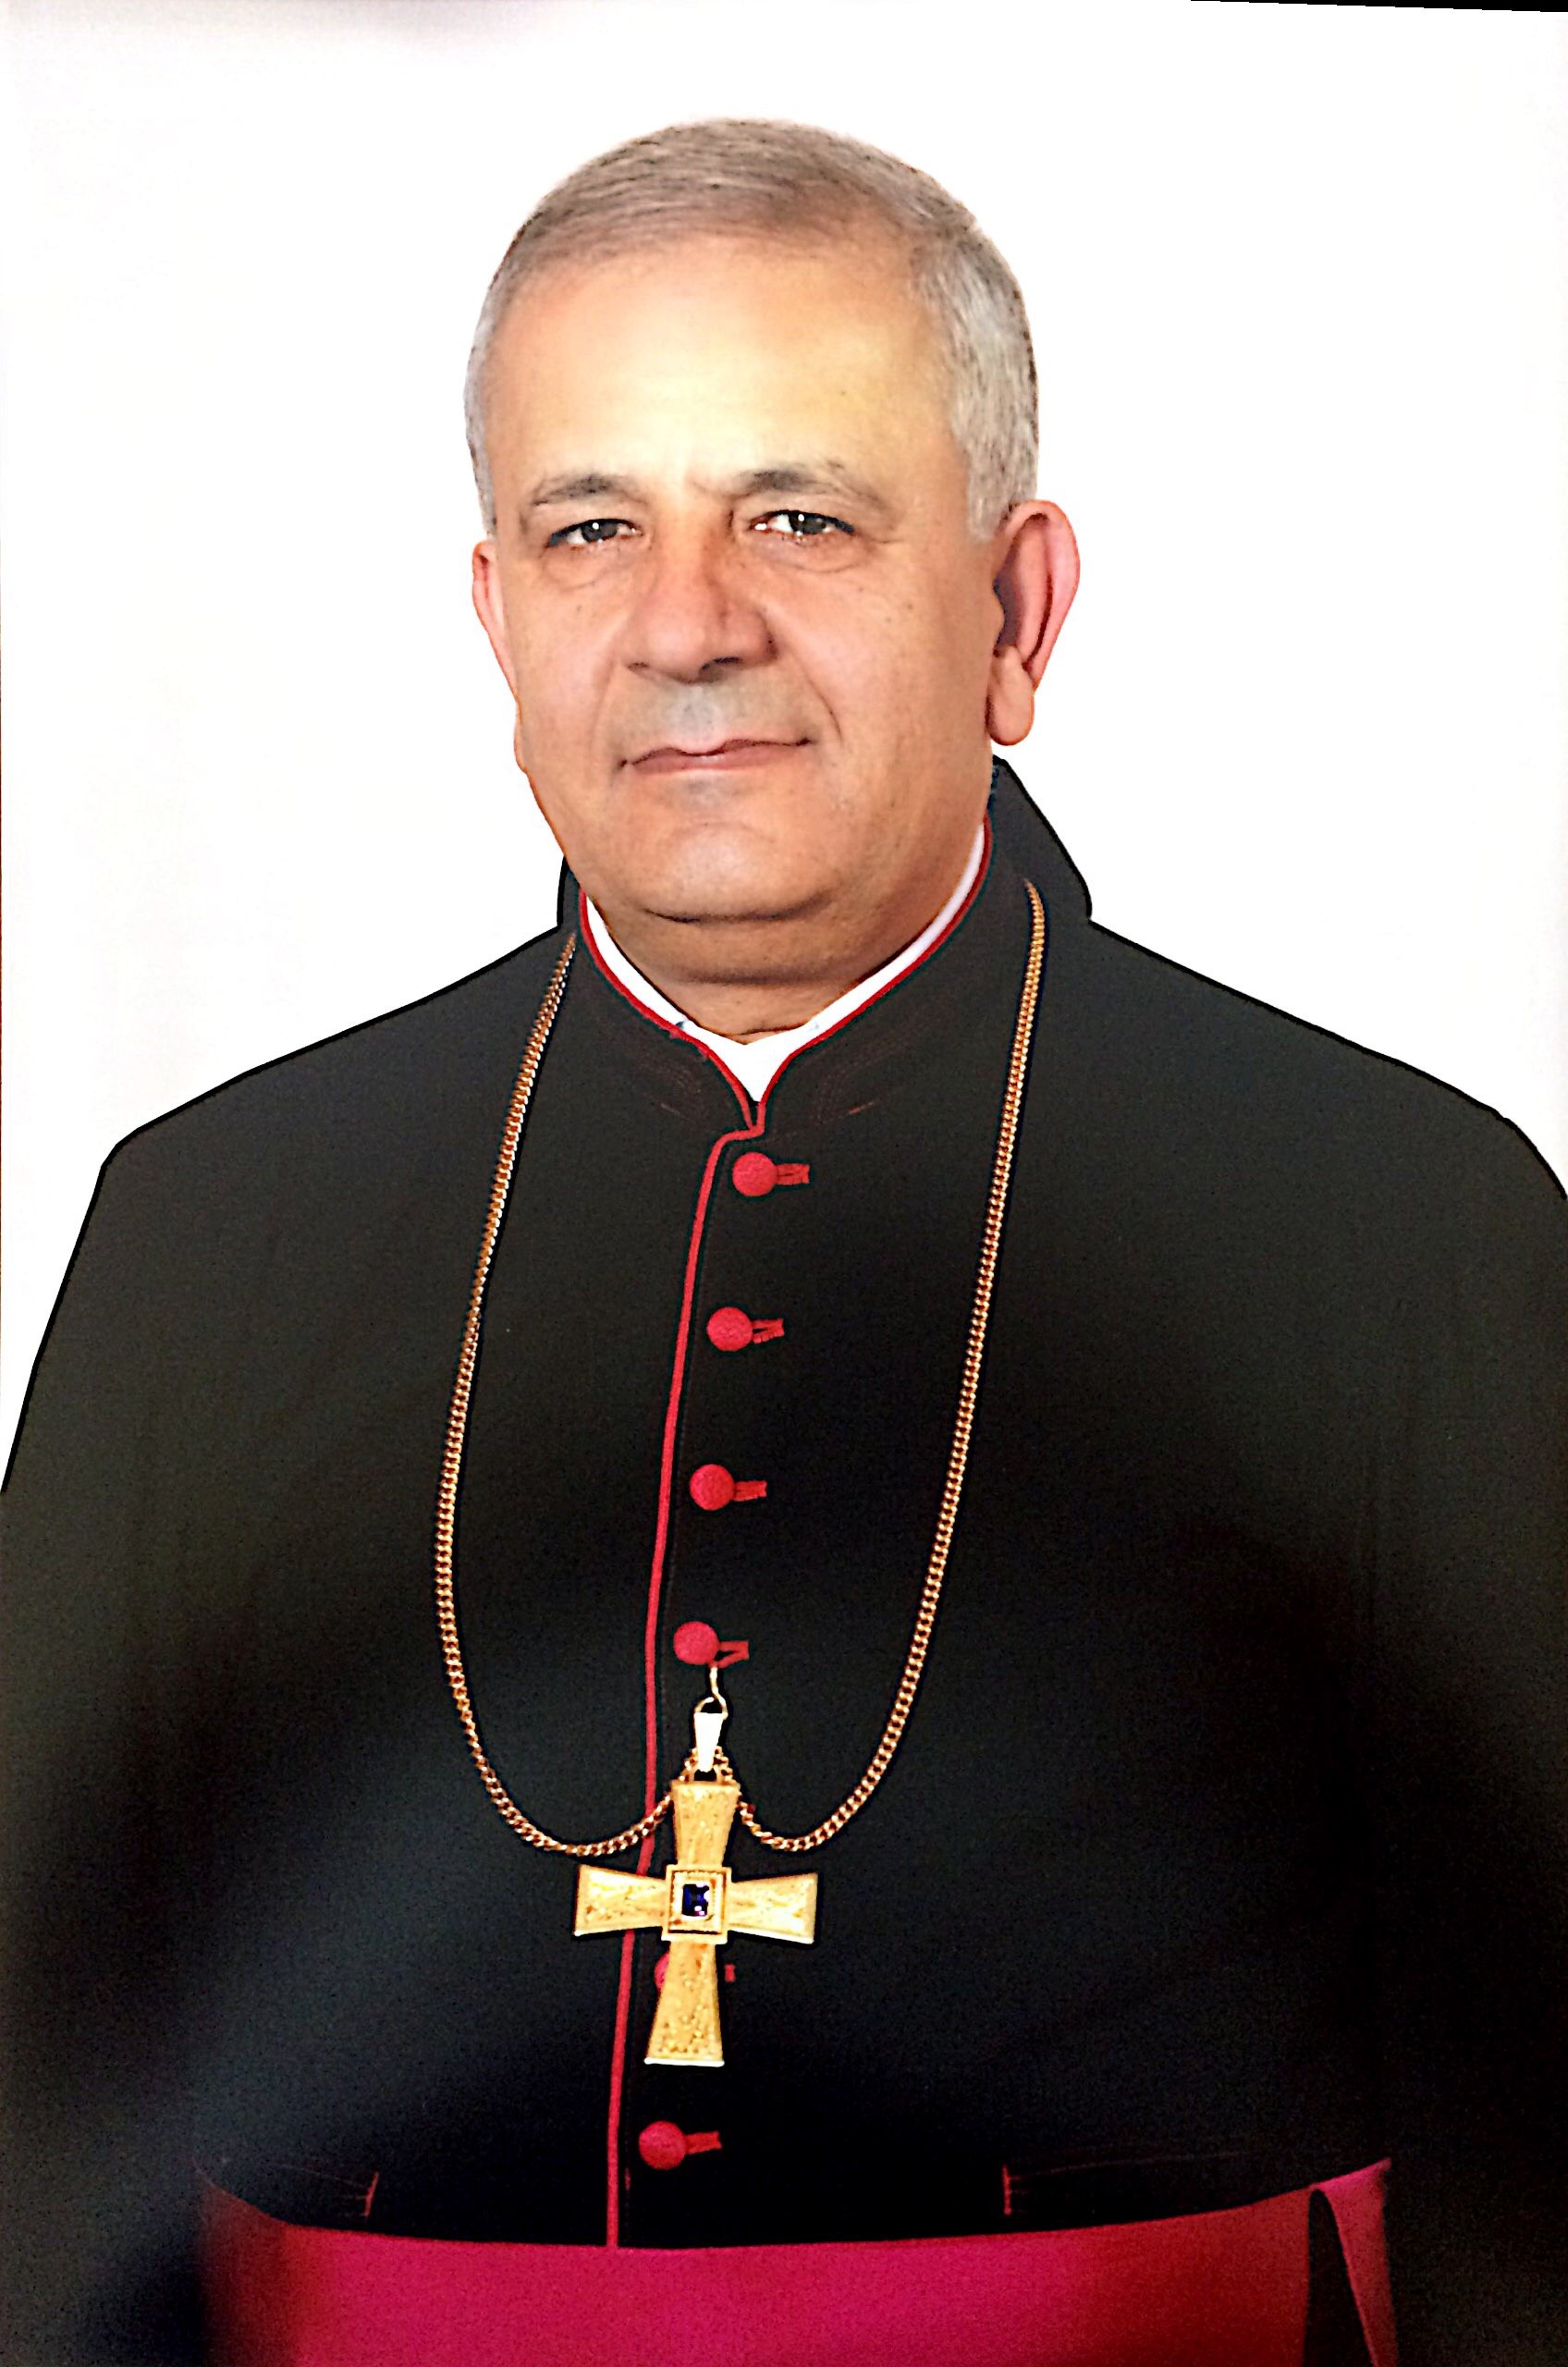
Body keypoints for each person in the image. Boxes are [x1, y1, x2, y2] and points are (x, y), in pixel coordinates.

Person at [3, 117, 1564, 2367]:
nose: (686, 625)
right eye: (591, 528)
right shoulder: (209, 1226)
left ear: (1014, 613)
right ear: (497, 617)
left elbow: (1541, 2130)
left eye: (800, 516)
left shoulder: (1396, 1223)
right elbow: (37, 2109)